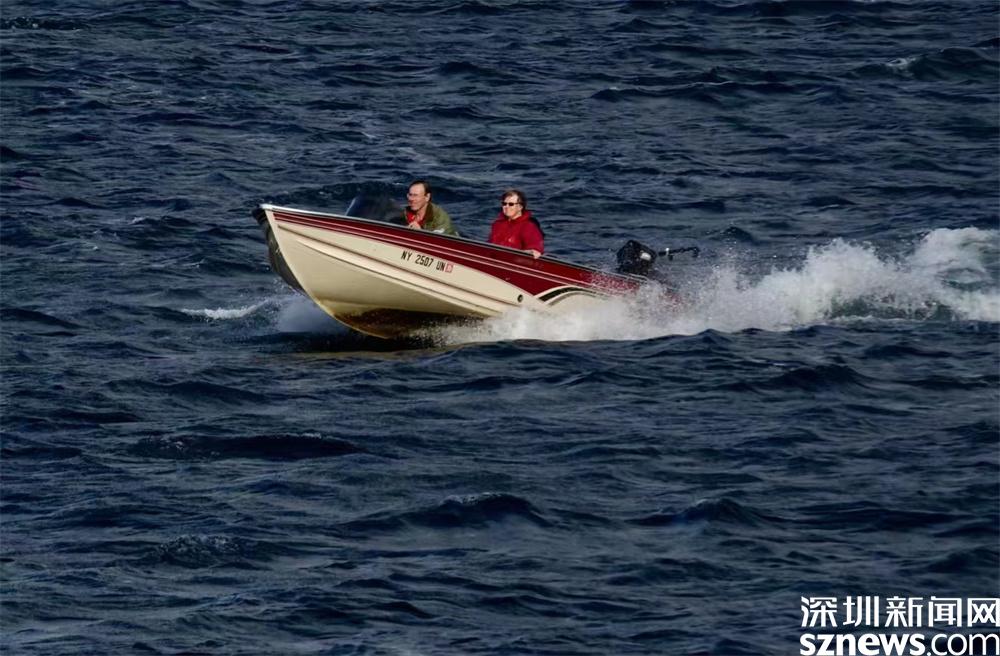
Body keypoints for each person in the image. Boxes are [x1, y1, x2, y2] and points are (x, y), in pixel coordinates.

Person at [487, 188, 544, 258]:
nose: (506, 207)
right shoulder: (497, 224)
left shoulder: (528, 226)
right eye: (504, 204)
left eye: (511, 204)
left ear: (520, 207)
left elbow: (535, 248)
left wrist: (532, 251)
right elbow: (489, 245)